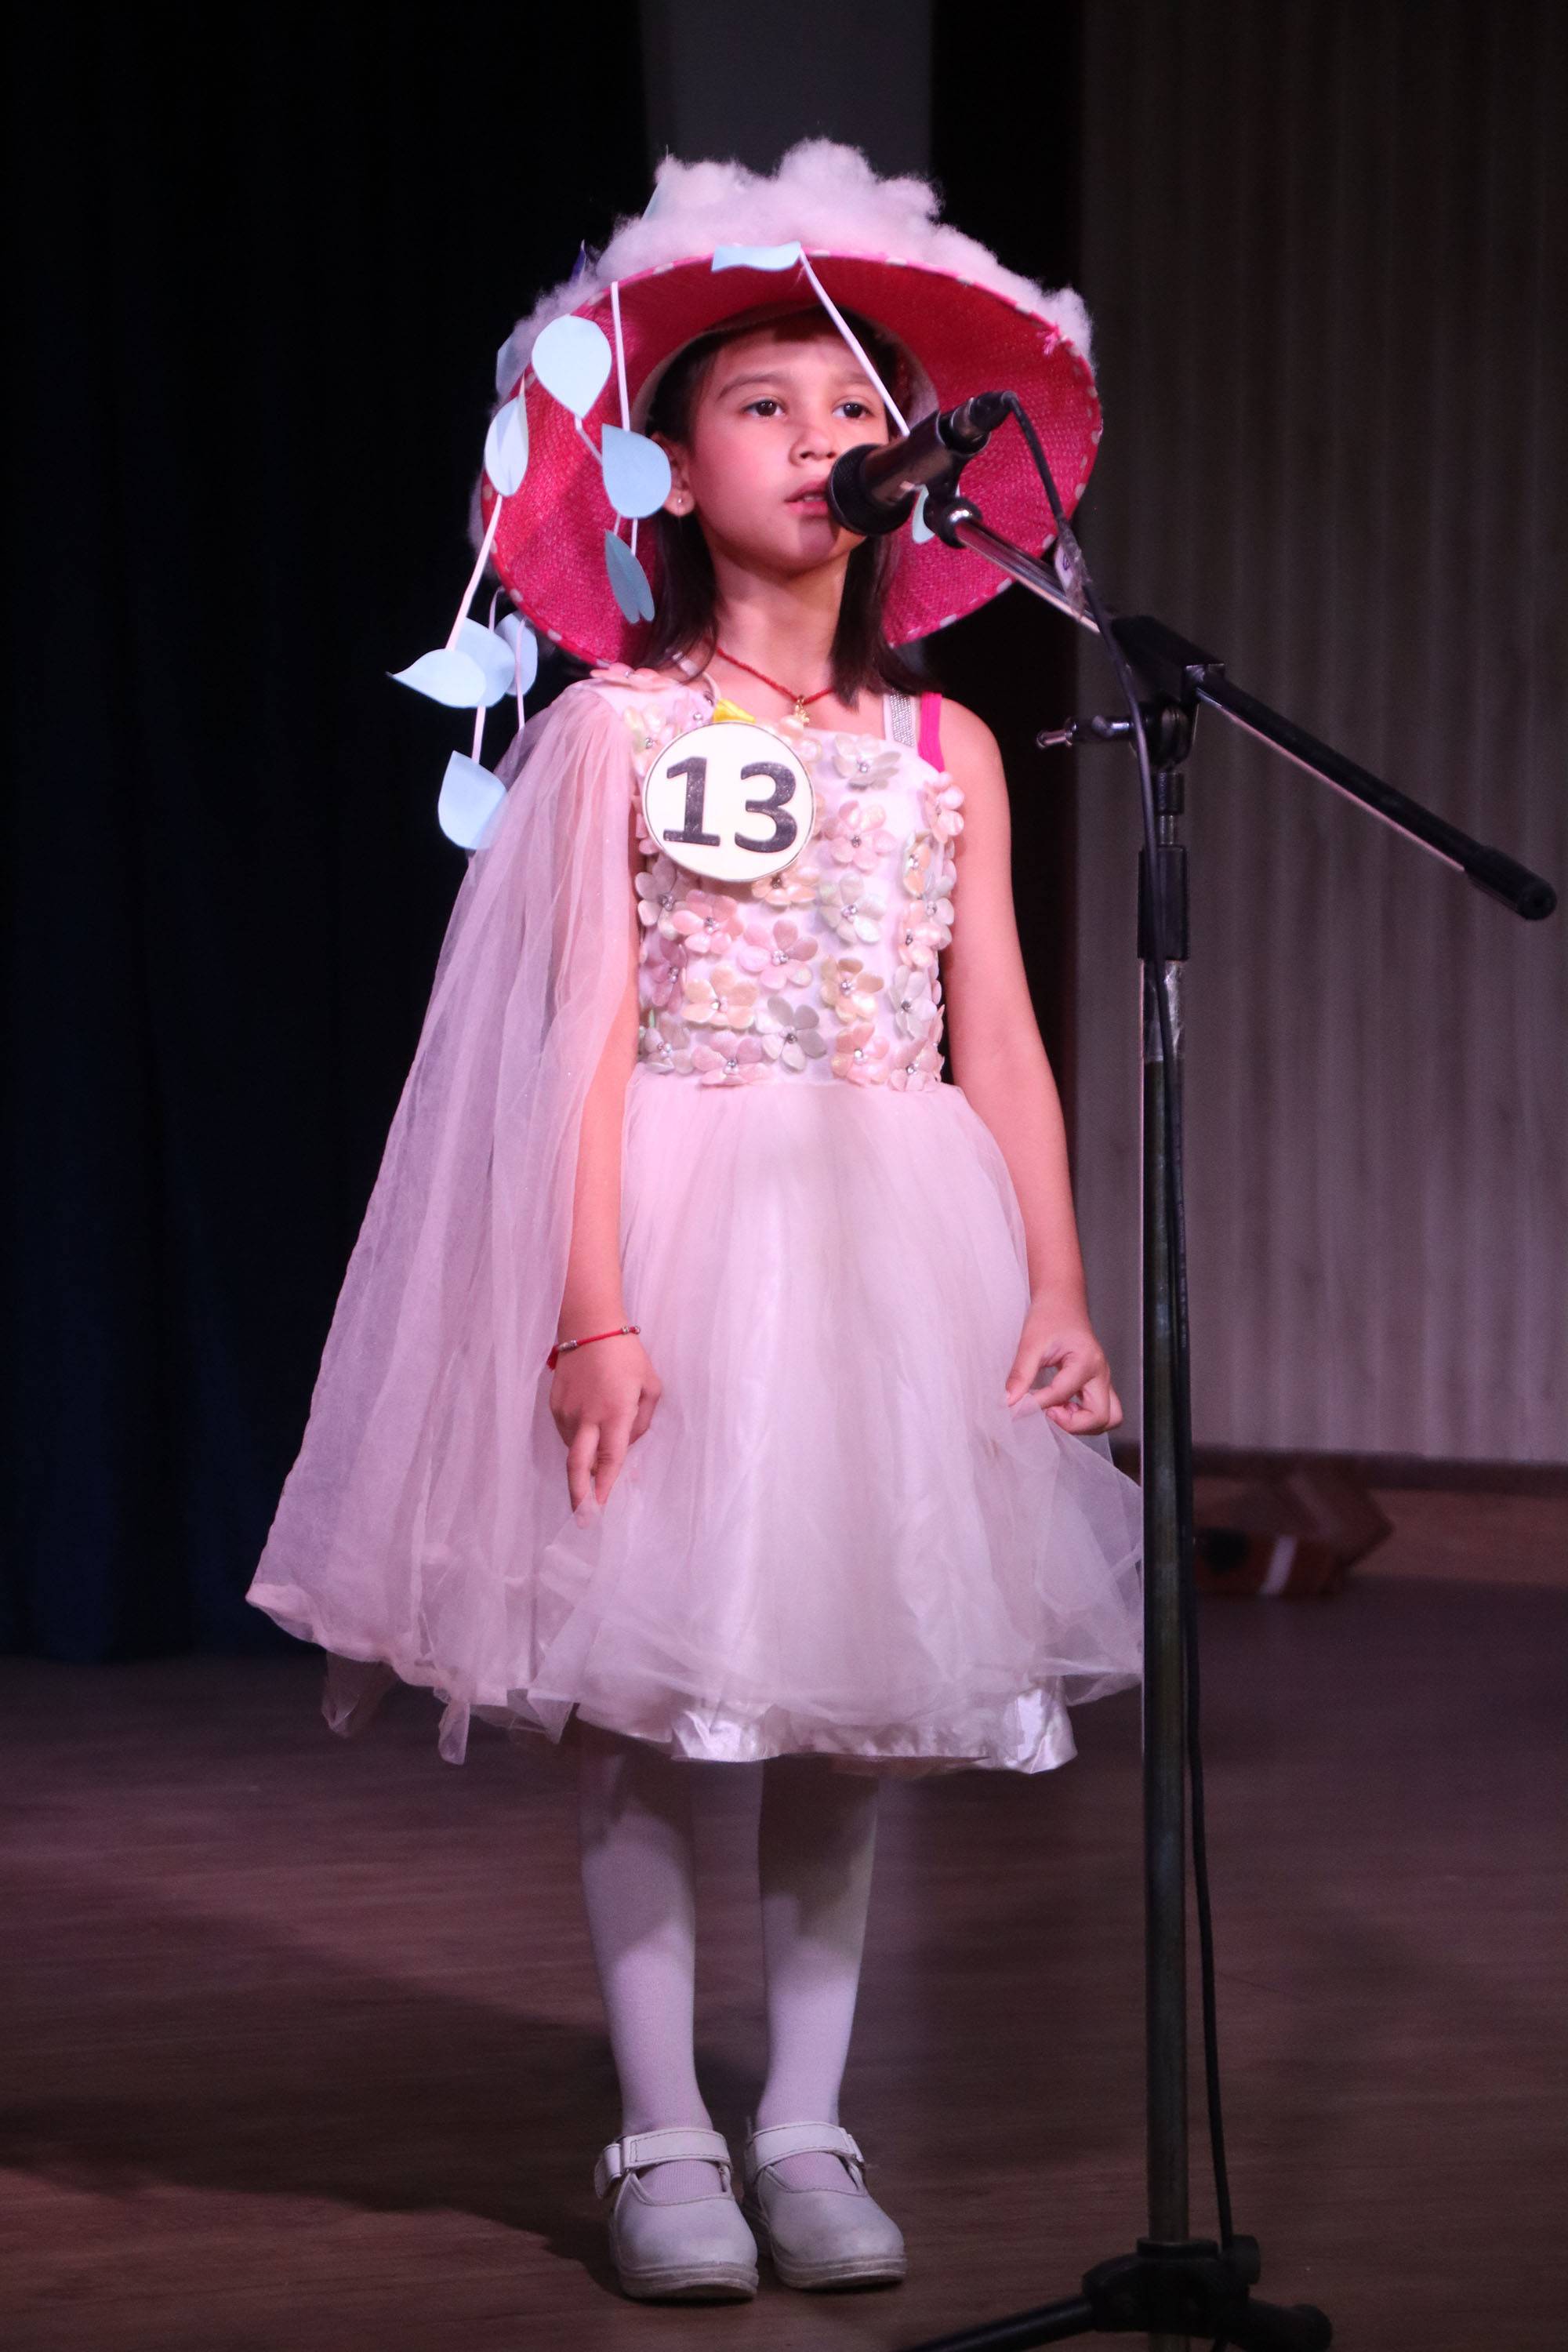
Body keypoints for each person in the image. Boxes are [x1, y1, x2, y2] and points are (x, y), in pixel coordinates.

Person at [246, 140, 1143, 2304]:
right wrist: (591, 1309)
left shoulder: (945, 745)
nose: (826, 435)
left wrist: (1054, 1278)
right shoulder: (618, 732)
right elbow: (575, 1048)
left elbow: (1003, 1038)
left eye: (858, 406)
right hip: (681, 1225)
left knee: (849, 1695)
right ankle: (662, 2137)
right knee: (649, 1695)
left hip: (889, 1237)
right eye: (766, 401)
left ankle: (808, 2123)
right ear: (666, 463)